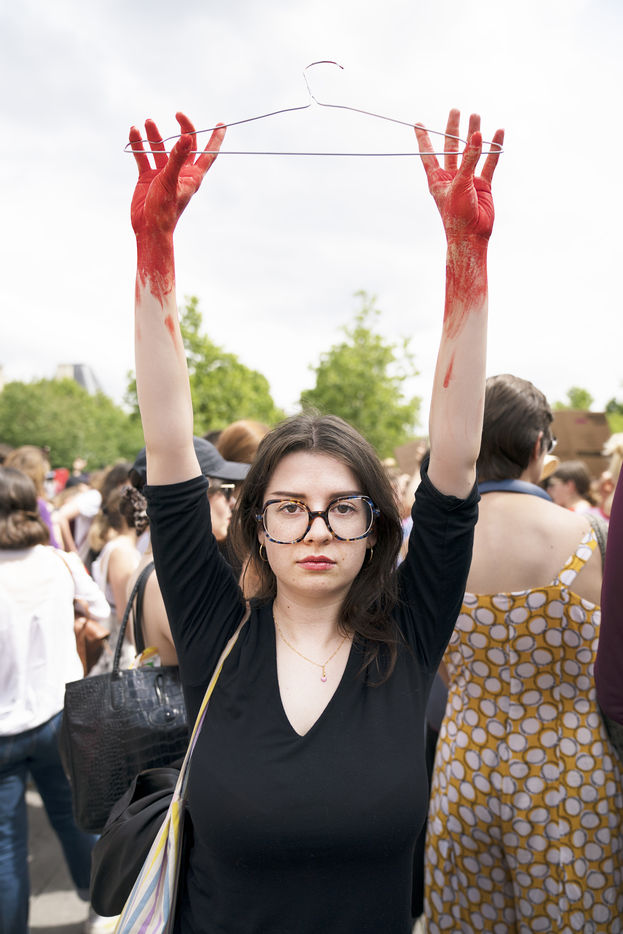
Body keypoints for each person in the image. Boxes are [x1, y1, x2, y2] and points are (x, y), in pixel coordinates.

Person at [128, 105, 503, 932]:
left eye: (342, 508)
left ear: (377, 525)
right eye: (290, 509)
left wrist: (464, 258)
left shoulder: (408, 635)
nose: (318, 530)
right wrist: (154, 251)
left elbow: (455, 464)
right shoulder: (216, 628)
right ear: (256, 525)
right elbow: (167, 446)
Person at [425, 373, 623, 931]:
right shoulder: (589, 536)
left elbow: (438, 662)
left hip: (464, 764)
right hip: (571, 771)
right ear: (538, 446)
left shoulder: (435, 545)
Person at [0, 467, 110, 933]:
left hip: (6, 728)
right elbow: (101, 612)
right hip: (58, 715)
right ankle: (103, 904)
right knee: (74, 816)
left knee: (6, 848)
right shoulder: (59, 562)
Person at [123, 439, 249, 666]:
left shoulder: (150, 568)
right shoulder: (167, 580)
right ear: (193, 497)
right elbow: (230, 666)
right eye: (226, 491)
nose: (232, 503)